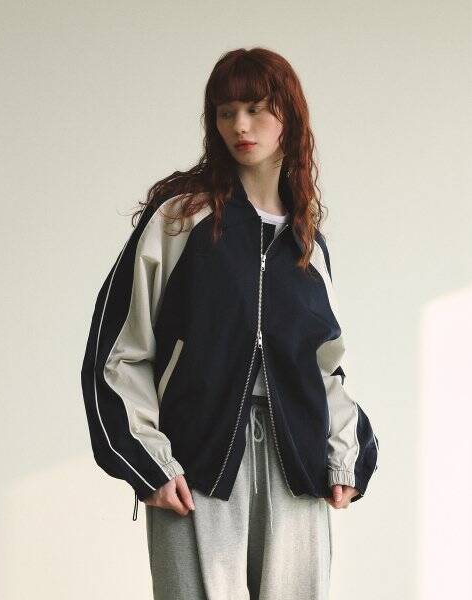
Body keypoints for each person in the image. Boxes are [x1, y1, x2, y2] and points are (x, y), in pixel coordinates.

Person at [80, 47, 379, 600]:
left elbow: (326, 370)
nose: (240, 125)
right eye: (226, 112)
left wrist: (346, 454)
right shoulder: (180, 220)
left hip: (295, 468)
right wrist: (148, 461)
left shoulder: (307, 246)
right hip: (196, 463)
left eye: (256, 109)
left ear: (289, 117)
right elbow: (118, 350)